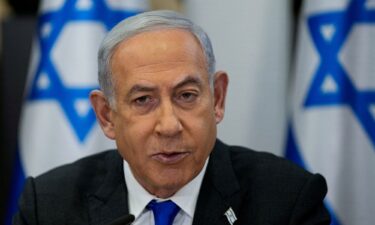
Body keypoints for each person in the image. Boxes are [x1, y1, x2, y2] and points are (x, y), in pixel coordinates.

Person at [13, 10, 331, 225]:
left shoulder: (288, 201)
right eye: (143, 100)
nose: (169, 125)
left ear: (217, 98)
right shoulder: (49, 207)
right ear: (107, 115)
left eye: (186, 95)